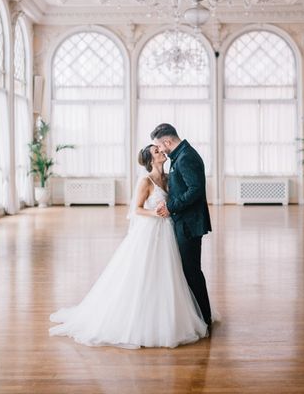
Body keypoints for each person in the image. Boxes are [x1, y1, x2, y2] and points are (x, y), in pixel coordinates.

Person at [49, 144, 208, 348]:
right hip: (151, 230)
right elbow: (137, 210)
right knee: (144, 272)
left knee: (168, 273)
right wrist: (156, 214)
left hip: (168, 231)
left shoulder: (169, 178)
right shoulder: (146, 181)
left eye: (160, 150)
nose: (162, 152)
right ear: (151, 160)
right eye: (157, 152)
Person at [151, 123, 212, 330]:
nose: (162, 151)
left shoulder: (185, 157)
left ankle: (204, 318)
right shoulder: (180, 155)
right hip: (184, 221)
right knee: (188, 270)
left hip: (189, 223)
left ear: (168, 141)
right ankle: (197, 314)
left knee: (192, 271)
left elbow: (196, 190)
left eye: (161, 146)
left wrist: (171, 206)